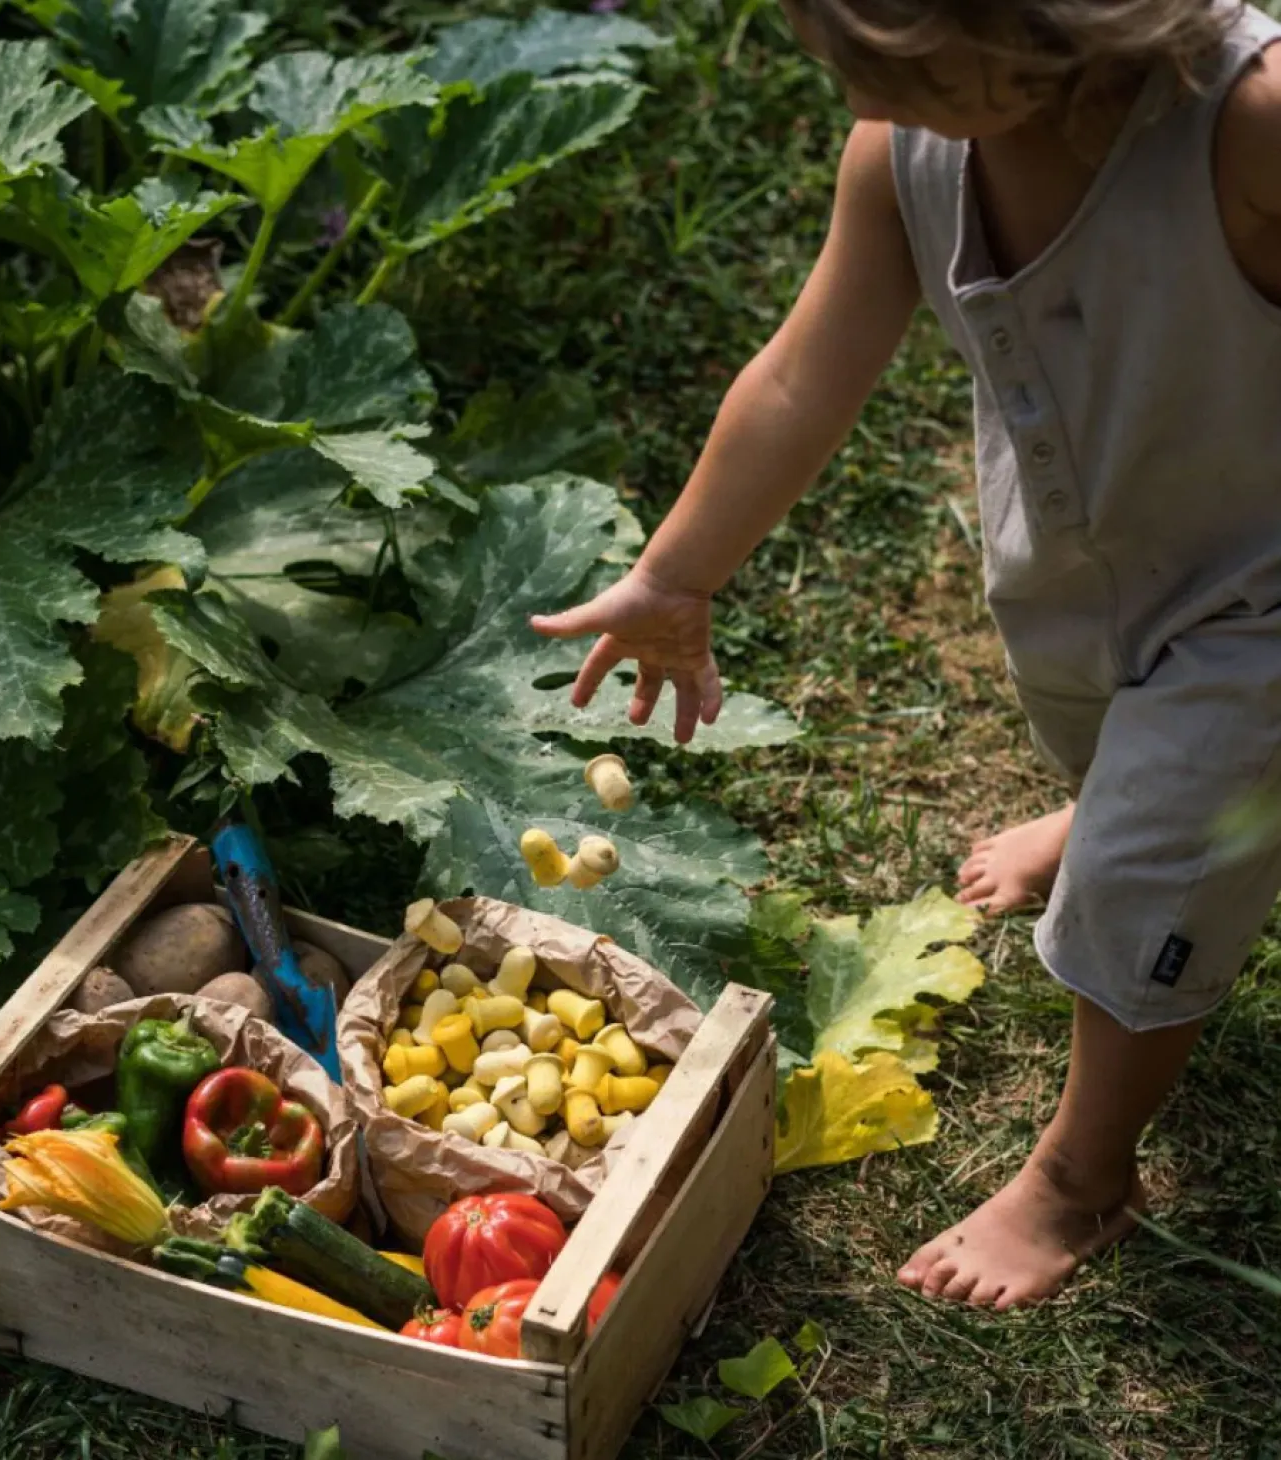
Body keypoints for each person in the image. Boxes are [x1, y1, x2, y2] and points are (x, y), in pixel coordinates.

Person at [532, 0, 1281, 1311]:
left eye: (904, 64)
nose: (866, 94)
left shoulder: (1249, 124)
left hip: (1261, 598)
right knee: (1112, 739)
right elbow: (799, 379)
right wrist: (675, 574)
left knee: (1156, 865)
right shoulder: (907, 153)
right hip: (1080, 569)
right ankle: (1111, 796)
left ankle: (1080, 1177)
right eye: (847, 65)